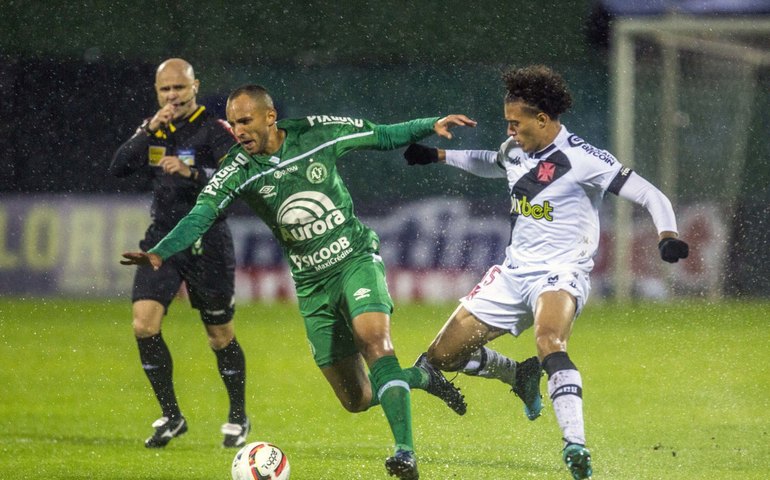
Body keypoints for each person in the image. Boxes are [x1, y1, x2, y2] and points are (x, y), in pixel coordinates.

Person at [121, 84, 476, 479]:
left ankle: (404, 453)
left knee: (374, 340)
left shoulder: (316, 134)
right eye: (234, 123)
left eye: (245, 121)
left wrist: (430, 124)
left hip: (355, 259)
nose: (237, 131)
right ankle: (423, 376)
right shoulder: (238, 168)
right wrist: (162, 251)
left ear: (269, 117)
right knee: (356, 398)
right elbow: (202, 213)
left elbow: (382, 134)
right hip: (311, 284)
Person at [402, 65, 689, 480]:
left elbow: (649, 193)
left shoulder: (583, 158)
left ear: (542, 119)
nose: (510, 131)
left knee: (549, 340)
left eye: (515, 123)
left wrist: (667, 235)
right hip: (512, 271)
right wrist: (438, 156)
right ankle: (518, 374)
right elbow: (491, 161)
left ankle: (575, 443)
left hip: (560, 272)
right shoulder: (515, 148)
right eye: (507, 123)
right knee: (442, 357)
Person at [110, 58, 250, 449]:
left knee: (219, 336)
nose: (172, 96)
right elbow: (118, 167)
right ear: (157, 93)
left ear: (195, 87)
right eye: (165, 90)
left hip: (207, 244)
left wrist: (193, 174)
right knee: (144, 324)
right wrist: (145, 130)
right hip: (162, 242)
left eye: (179, 88)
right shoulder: (155, 129)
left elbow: (238, 180)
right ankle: (171, 416)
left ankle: (238, 416)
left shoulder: (215, 129)